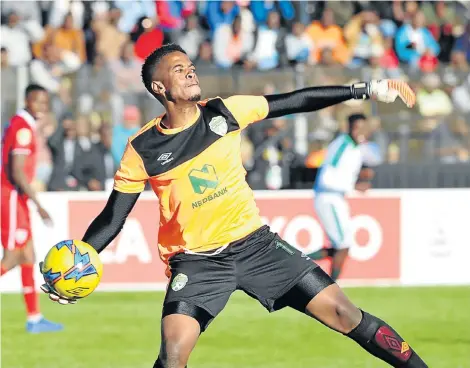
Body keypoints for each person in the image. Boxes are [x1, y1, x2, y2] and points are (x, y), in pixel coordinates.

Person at [40, 44, 426, 368]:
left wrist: (366, 89)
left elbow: (294, 101)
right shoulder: (141, 148)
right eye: (180, 70)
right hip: (195, 262)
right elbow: (113, 217)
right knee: (173, 356)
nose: (191, 73)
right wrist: (78, 261)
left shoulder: (223, 111)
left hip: (257, 246)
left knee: (346, 314)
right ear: (159, 87)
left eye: (191, 67)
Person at [1, 84, 63, 333]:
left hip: (17, 198)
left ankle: (34, 318)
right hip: (13, 197)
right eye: (38, 102)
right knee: (13, 256)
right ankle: (34, 318)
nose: (42, 107)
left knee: (28, 255)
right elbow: (17, 170)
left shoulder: (19, 122)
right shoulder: (23, 128)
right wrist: (39, 205)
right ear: (28, 100)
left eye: (45, 103)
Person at [308, 113, 374, 281]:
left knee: (342, 246)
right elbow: (326, 177)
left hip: (337, 198)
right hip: (329, 197)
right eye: (356, 128)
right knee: (343, 245)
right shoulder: (341, 146)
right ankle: (332, 287)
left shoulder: (356, 147)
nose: (360, 131)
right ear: (349, 128)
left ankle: (295, 261)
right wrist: (354, 186)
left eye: (363, 128)